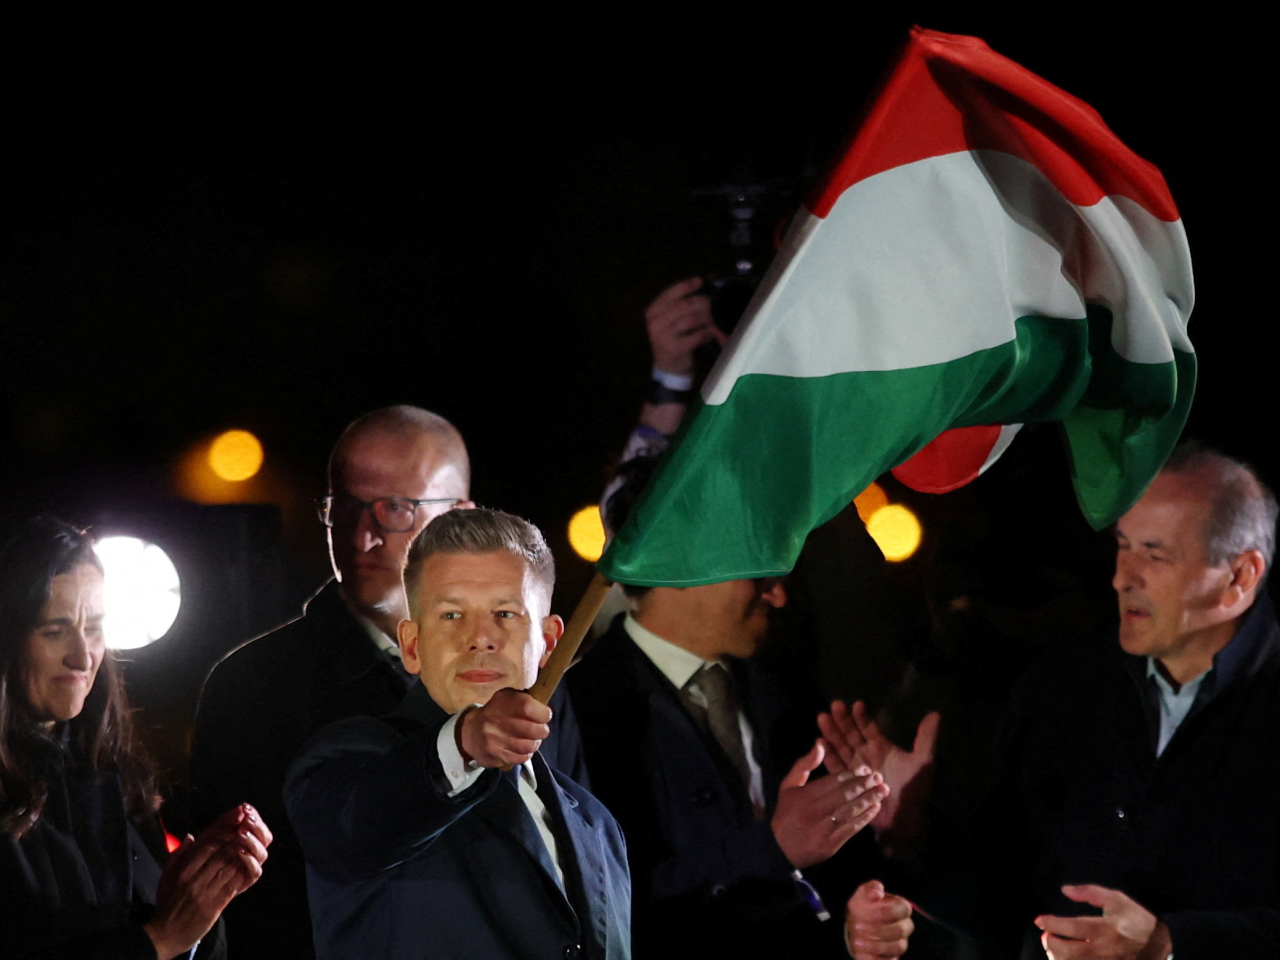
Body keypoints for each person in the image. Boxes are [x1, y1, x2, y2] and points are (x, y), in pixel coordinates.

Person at [191, 405, 584, 957]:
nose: (364, 535)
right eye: (345, 507)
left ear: (460, 515)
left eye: (397, 508)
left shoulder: (539, 686)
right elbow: (230, 897)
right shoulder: (254, 685)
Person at [285, 508, 630, 959]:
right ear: (411, 645)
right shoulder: (348, 760)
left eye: (505, 613)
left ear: (548, 643)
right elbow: (358, 827)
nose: (480, 638)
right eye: (451, 616)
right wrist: (464, 742)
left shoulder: (596, 823)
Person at [996, 443, 1280, 958]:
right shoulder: (1060, 689)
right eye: (1123, 546)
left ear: (1238, 579)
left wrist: (1168, 944)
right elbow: (999, 887)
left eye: (1154, 554)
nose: (1121, 578)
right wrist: (908, 828)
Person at [568, 560, 926, 959]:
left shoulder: (792, 695)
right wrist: (767, 850)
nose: (777, 593)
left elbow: (845, 895)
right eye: (754, 568)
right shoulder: (576, 709)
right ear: (679, 565)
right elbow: (602, 909)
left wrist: (897, 840)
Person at [0, 517, 271, 960]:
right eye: (54, 630)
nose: (82, 655)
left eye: (94, 628)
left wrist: (195, 898)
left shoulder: (109, 779)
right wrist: (158, 938)